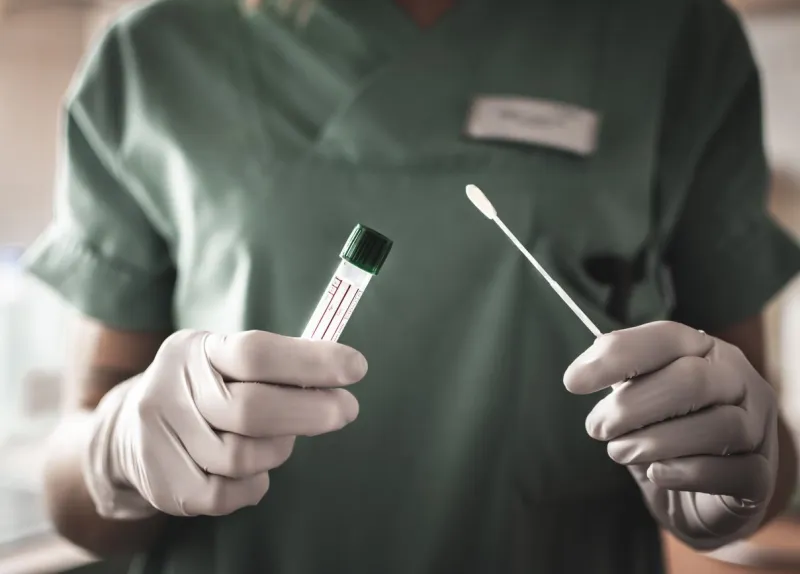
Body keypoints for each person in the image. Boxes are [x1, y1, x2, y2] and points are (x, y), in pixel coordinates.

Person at [21, 0, 800, 572]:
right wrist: (114, 450)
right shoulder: (158, 54)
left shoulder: (672, 39)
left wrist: (740, 478)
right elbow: (75, 495)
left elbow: (756, 422)